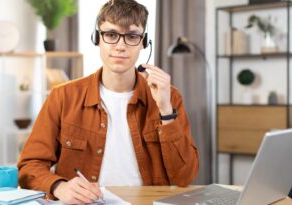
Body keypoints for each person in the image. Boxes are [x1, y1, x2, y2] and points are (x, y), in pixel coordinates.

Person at [17, 0, 199, 204]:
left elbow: (185, 177)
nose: (120, 46)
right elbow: (29, 165)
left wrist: (165, 110)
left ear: (143, 42)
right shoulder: (63, 97)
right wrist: (59, 186)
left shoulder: (170, 97)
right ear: (97, 38)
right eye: (111, 35)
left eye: (131, 36)